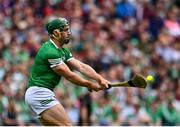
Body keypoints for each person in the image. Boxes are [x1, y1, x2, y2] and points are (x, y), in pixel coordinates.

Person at [25, 17, 109, 126]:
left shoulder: (62, 51)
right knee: (67, 125)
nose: (69, 33)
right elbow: (69, 75)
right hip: (39, 93)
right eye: (65, 30)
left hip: (40, 93)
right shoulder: (50, 52)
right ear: (56, 33)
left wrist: (100, 79)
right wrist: (89, 84)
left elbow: (81, 67)